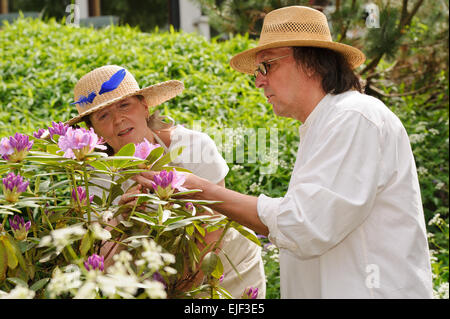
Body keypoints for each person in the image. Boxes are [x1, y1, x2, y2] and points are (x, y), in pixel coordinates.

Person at [135, 6, 434, 298]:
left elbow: (305, 225)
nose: (258, 80)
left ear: (311, 62)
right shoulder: (326, 123)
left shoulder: (354, 117)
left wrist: (201, 189)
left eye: (267, 66)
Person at [66, 65, 266, 298]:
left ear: (145, 107)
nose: (119, 119)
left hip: (223, 268)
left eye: (124, 105)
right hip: (151, 278)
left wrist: (181, 293)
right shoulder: (95, 176)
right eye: (103, 115)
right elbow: (97, 254)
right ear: (94, 131)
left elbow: (212, 229)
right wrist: (122, 218)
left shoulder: (193, 147)